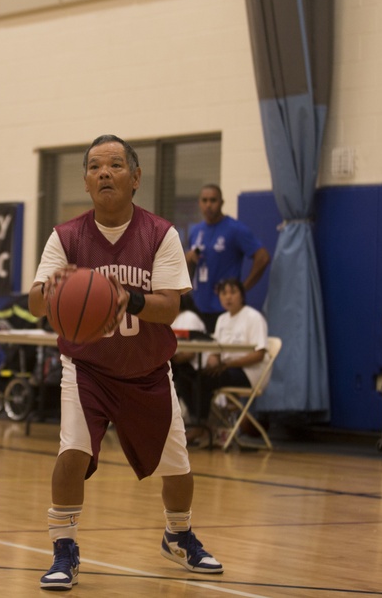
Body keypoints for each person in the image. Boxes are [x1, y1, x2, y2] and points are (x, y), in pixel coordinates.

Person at [28, 135, 222, 591]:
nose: (104, 173)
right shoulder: (67, 236)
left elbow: (170, 307)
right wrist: (58, 288)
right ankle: (64, 548)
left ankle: (177, 534)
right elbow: (37, 302)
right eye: (95, 166)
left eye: (115, 165)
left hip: (148, 369)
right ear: (86, 180)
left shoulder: (161, 233)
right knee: (72, 452)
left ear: (135, 178)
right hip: (87, 367)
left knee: (178, 467)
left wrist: (125, 298)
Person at [184, 184, 270, 332]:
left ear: (222, 203)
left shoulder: (235, 229)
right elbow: (188, 270)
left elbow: (263, 257)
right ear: (199, 203)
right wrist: (189, 259)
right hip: (198, 306)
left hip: (224, 307)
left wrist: (242, 288)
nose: (208, 205)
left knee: (224, 353)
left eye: (213, 200)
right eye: (204, 200)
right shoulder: (196, 231)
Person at [193, 278, 269, 442]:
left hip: (250, 372)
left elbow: (259, 354)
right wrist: (213, 359)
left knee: (204, 380)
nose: (228, 297)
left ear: (241, 295)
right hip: (228, 368)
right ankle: (204, 424)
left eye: (233, 292)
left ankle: (202, 427)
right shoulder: (222, 320)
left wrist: (227, 364)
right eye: (224, 293)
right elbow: (217, 351)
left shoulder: (253, 317)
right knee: (194, 375)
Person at [170, 293, 207, 423]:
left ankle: (196, 422)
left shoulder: (190, 317)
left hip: (196, 366)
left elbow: (191, 352)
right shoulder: (171, 319)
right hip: (178, 364)